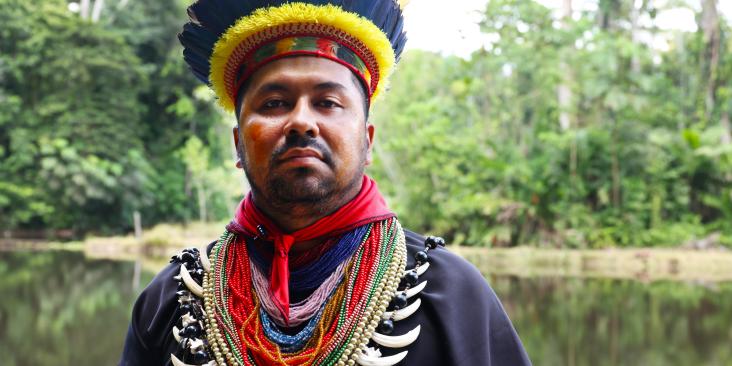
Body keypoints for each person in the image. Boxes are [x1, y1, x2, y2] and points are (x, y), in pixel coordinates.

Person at [120, 0, 531, 365]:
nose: (301, 121)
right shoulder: (173, 301)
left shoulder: (452, 295)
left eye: (328, 103)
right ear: (238, 144)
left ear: (367, 141)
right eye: (274, 103)